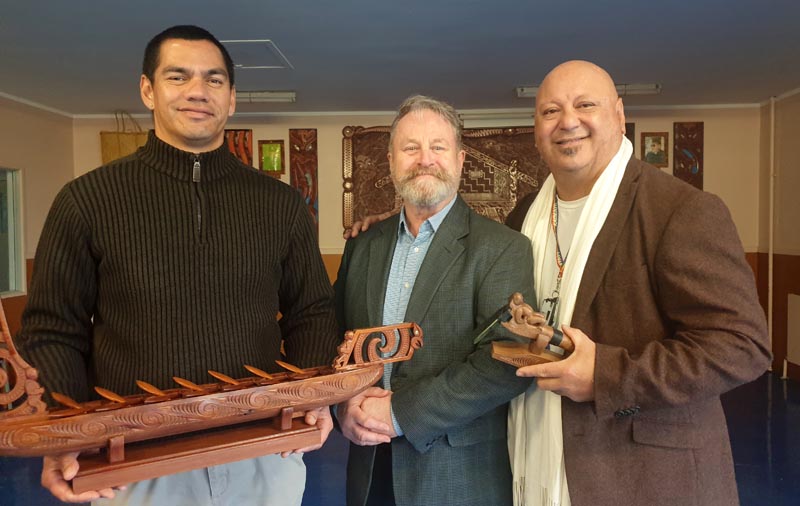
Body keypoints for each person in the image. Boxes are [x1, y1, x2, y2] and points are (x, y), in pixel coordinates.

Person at [17, 25, 339, 505]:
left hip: (263, 452)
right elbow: (52, 331)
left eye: (213, 80)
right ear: (147, 90)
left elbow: (311, 311)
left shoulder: (282, 204)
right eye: (177, 76)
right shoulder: (86, 200)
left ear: (231, 99)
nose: (197, 92)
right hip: (131, 463)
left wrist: (309, 400)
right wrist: (66, 437)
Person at [501, 60, 771, 506]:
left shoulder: (679, 209)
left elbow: (742, 345)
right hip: (533, 457)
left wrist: (606, 376)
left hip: (641, 480)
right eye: (550, 111)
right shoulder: (523, 215)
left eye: (585, 104)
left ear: (619, 116)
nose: (568, 121)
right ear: (536, 130)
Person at [334, 95, 537, 506]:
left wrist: (398, 414)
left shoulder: (502, 248)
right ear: (391, 160)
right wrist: (342, 404)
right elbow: (337, 340)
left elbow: (510, 360)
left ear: (460, 160)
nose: (424, 159)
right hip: (370, 469)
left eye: (438, 147)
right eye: (411, 148)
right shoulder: (363, 245)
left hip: (454, 477)